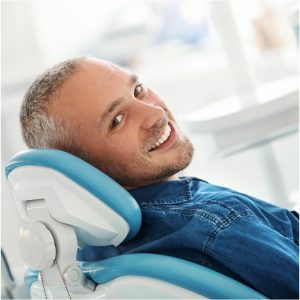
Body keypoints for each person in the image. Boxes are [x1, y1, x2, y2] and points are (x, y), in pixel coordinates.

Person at [20, 56, 299, 299]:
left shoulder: (80, 261)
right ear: (83, 169)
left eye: (138, 90)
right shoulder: (217, 222)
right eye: (117, 120)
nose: (155, 113)